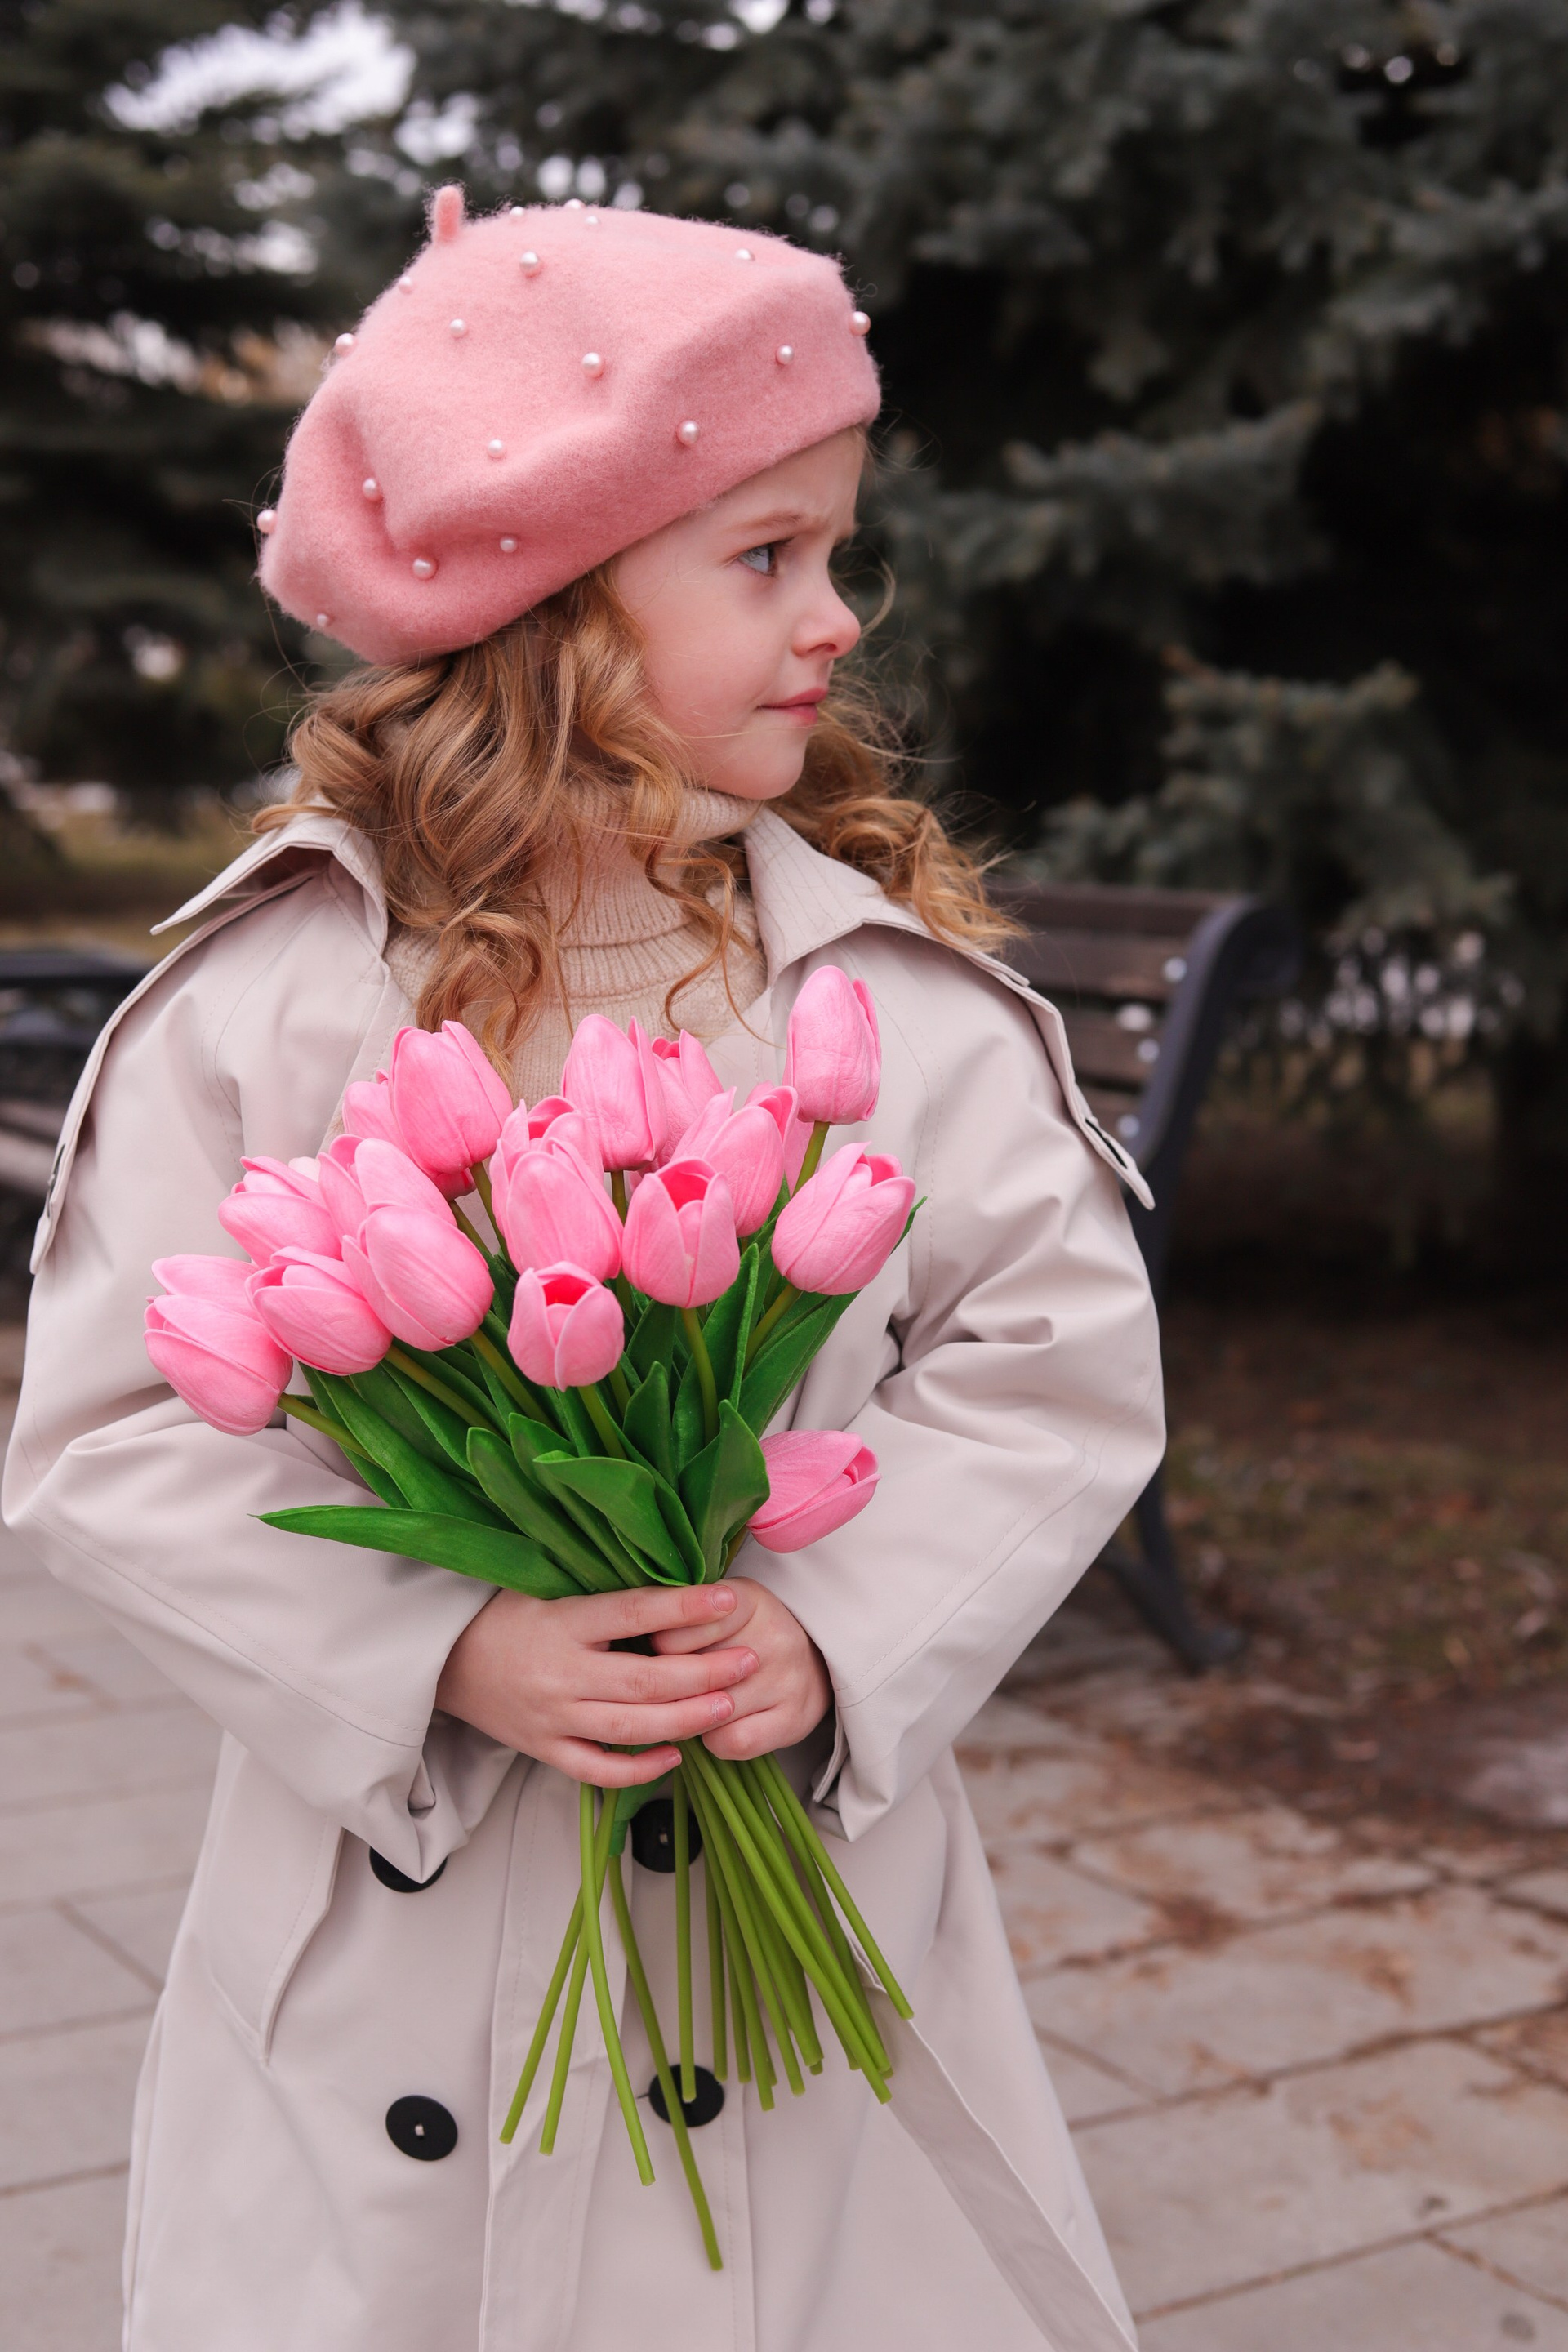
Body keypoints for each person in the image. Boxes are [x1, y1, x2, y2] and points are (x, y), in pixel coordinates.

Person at [4, 189, 1162, 2352]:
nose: (838, 619)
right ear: (550, 600)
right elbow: (109, 1428)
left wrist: (830, 1629)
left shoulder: (889, 1003)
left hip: (791, 1925)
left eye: (835, 552)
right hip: (402, 1947)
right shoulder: (276, 1001)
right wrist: (445, 1640)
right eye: (766, 558)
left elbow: (1049, 1361)